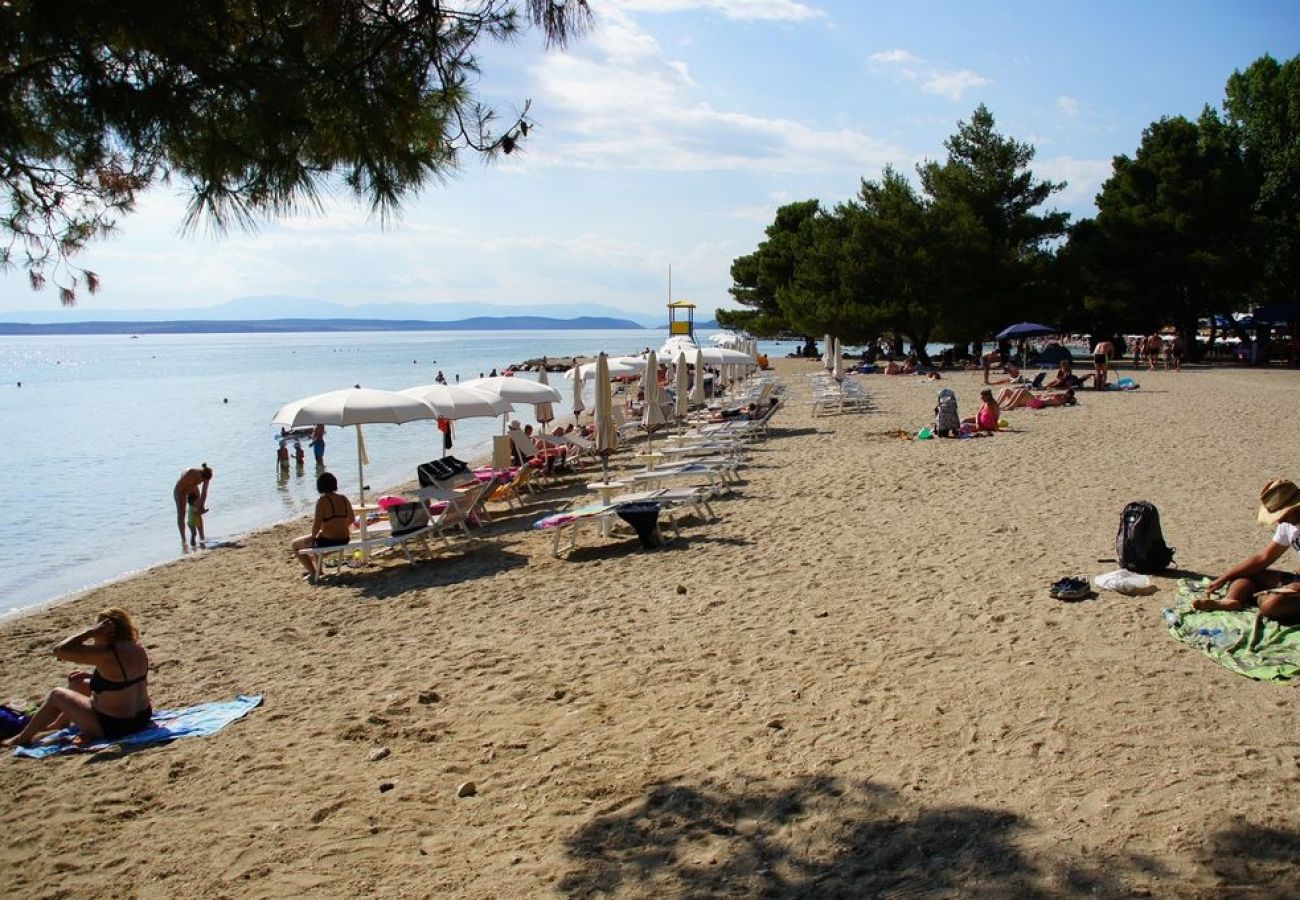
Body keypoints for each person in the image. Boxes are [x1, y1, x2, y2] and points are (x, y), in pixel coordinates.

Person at [2, 608, 153, 747]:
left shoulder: (108, 653)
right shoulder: (136, 649)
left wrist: (91, 632)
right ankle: (61, 723)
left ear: (105, 632)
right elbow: (124, 679)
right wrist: (92, 676)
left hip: (115, 726)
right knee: (77, 682)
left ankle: (21, 738)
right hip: (142, 717)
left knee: (57, 694)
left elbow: (59, 650)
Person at [1194, 479, 1300, 621]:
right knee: (1244, 573)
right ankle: (1231, 601)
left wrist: (1294, 587)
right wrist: (1224, 577)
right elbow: (1264, 557)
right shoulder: (1288, 524)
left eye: (1283, 515)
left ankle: (1264, 599)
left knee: (1272, 605)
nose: (1280, 521)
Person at [291, 472, 355, 583]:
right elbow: (351, 519)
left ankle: (313, 572)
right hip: (344, 538)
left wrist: (312, 536)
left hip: (328, 541)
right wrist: (340, 527)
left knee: (295, 545)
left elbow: (316, 524)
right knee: (318, 539)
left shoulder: (322, 501)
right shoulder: (344, 498)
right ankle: (318, 570)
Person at [173, 464, 212, 549]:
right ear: (200, 475)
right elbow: (182, 491)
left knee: (198, 512)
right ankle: (184, 541)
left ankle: (202, 537)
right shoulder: (191, 473)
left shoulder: (206, 476)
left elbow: (204, 493)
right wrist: (183, 502)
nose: (202, 483)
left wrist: (201, 506)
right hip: (180, 491)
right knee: (181, 514)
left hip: (192, 488)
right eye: (202, 481)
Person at [995, 387, 1076, 410]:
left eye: (1066, 393)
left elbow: (1056, 395)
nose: (1065, 393)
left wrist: (1065, 395)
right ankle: (995, 404)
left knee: (1022, 390)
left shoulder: (1061, 400)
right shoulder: (1061, 398)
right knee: (1005, 389)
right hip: (1034, 400)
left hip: (1038, 403)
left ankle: (1010, 406)